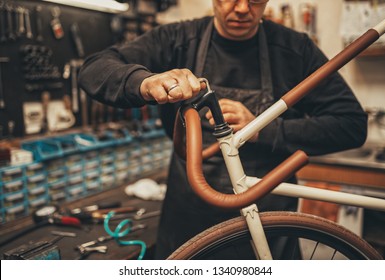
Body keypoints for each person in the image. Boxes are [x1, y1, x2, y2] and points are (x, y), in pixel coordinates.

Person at [78, 0, 367, 259]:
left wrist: (265, 129)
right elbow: (94, 69)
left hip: (269, 222)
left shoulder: (294, 50)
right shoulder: (177, 39)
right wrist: (144, 82)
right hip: (189, 217)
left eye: (255, 0)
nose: (242, 8)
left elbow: (351, 124)